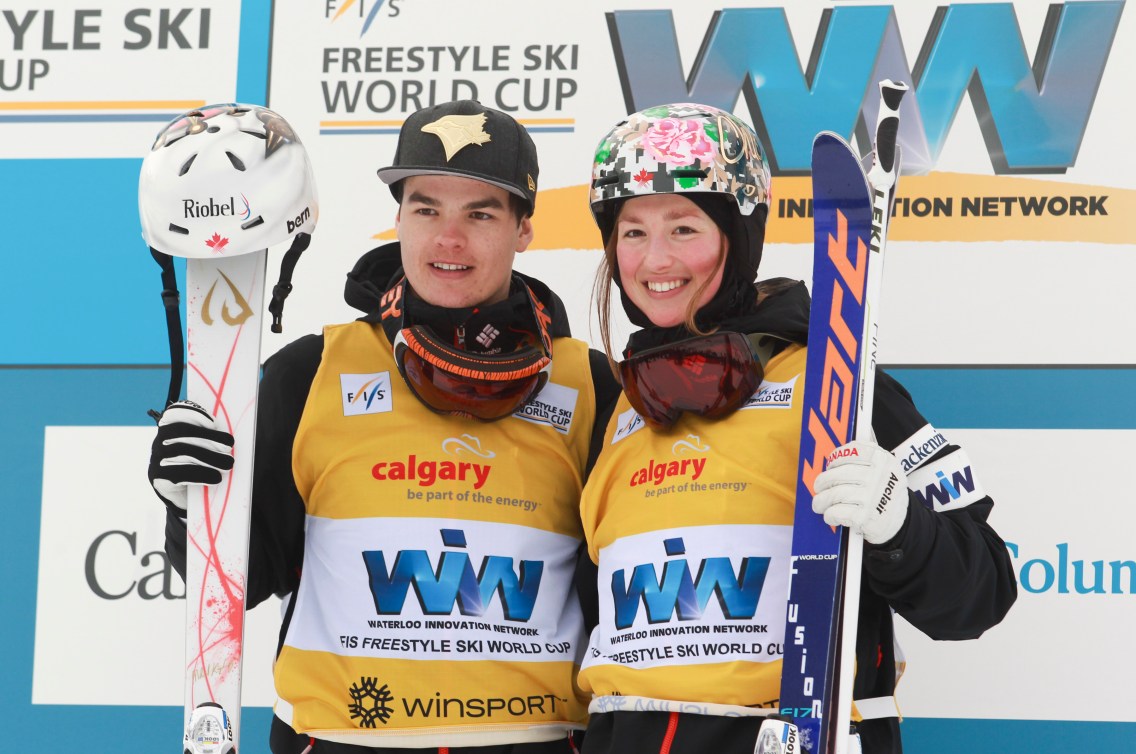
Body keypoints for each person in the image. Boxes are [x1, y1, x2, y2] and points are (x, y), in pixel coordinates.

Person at [148, 100, 618, 753]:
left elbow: (627, 599)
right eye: (426, 209)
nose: (448, 239)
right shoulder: (310, 372)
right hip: (341, 740)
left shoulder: (588, 383)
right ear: (398, 218)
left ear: (524, 230)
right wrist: (189, 505)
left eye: (480, 214)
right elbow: (240, 577)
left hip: (534, 739)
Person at [575, 103, 1018, 753]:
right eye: (632, 232)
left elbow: (983, 590)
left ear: (739, 234)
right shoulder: (620, 407)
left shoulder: (835, 381)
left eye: (684, 227)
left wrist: (901, 526)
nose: (655, 259)